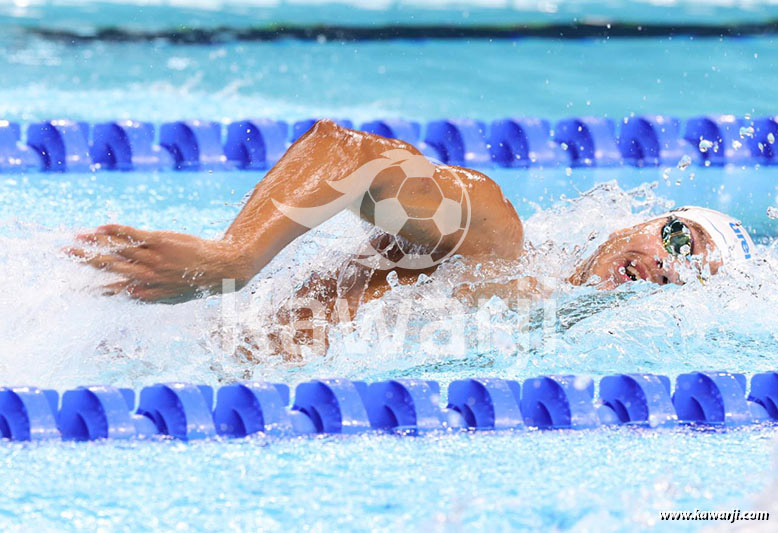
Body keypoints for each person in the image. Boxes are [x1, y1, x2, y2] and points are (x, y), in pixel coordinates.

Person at [67, 120, 756, 323]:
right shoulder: (497, 238)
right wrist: (232, 260)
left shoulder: (552, 329)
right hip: (158, 338)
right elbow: (347, 154)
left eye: (690, 275)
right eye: (679, 238)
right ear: (636, 222)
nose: (668, 265)